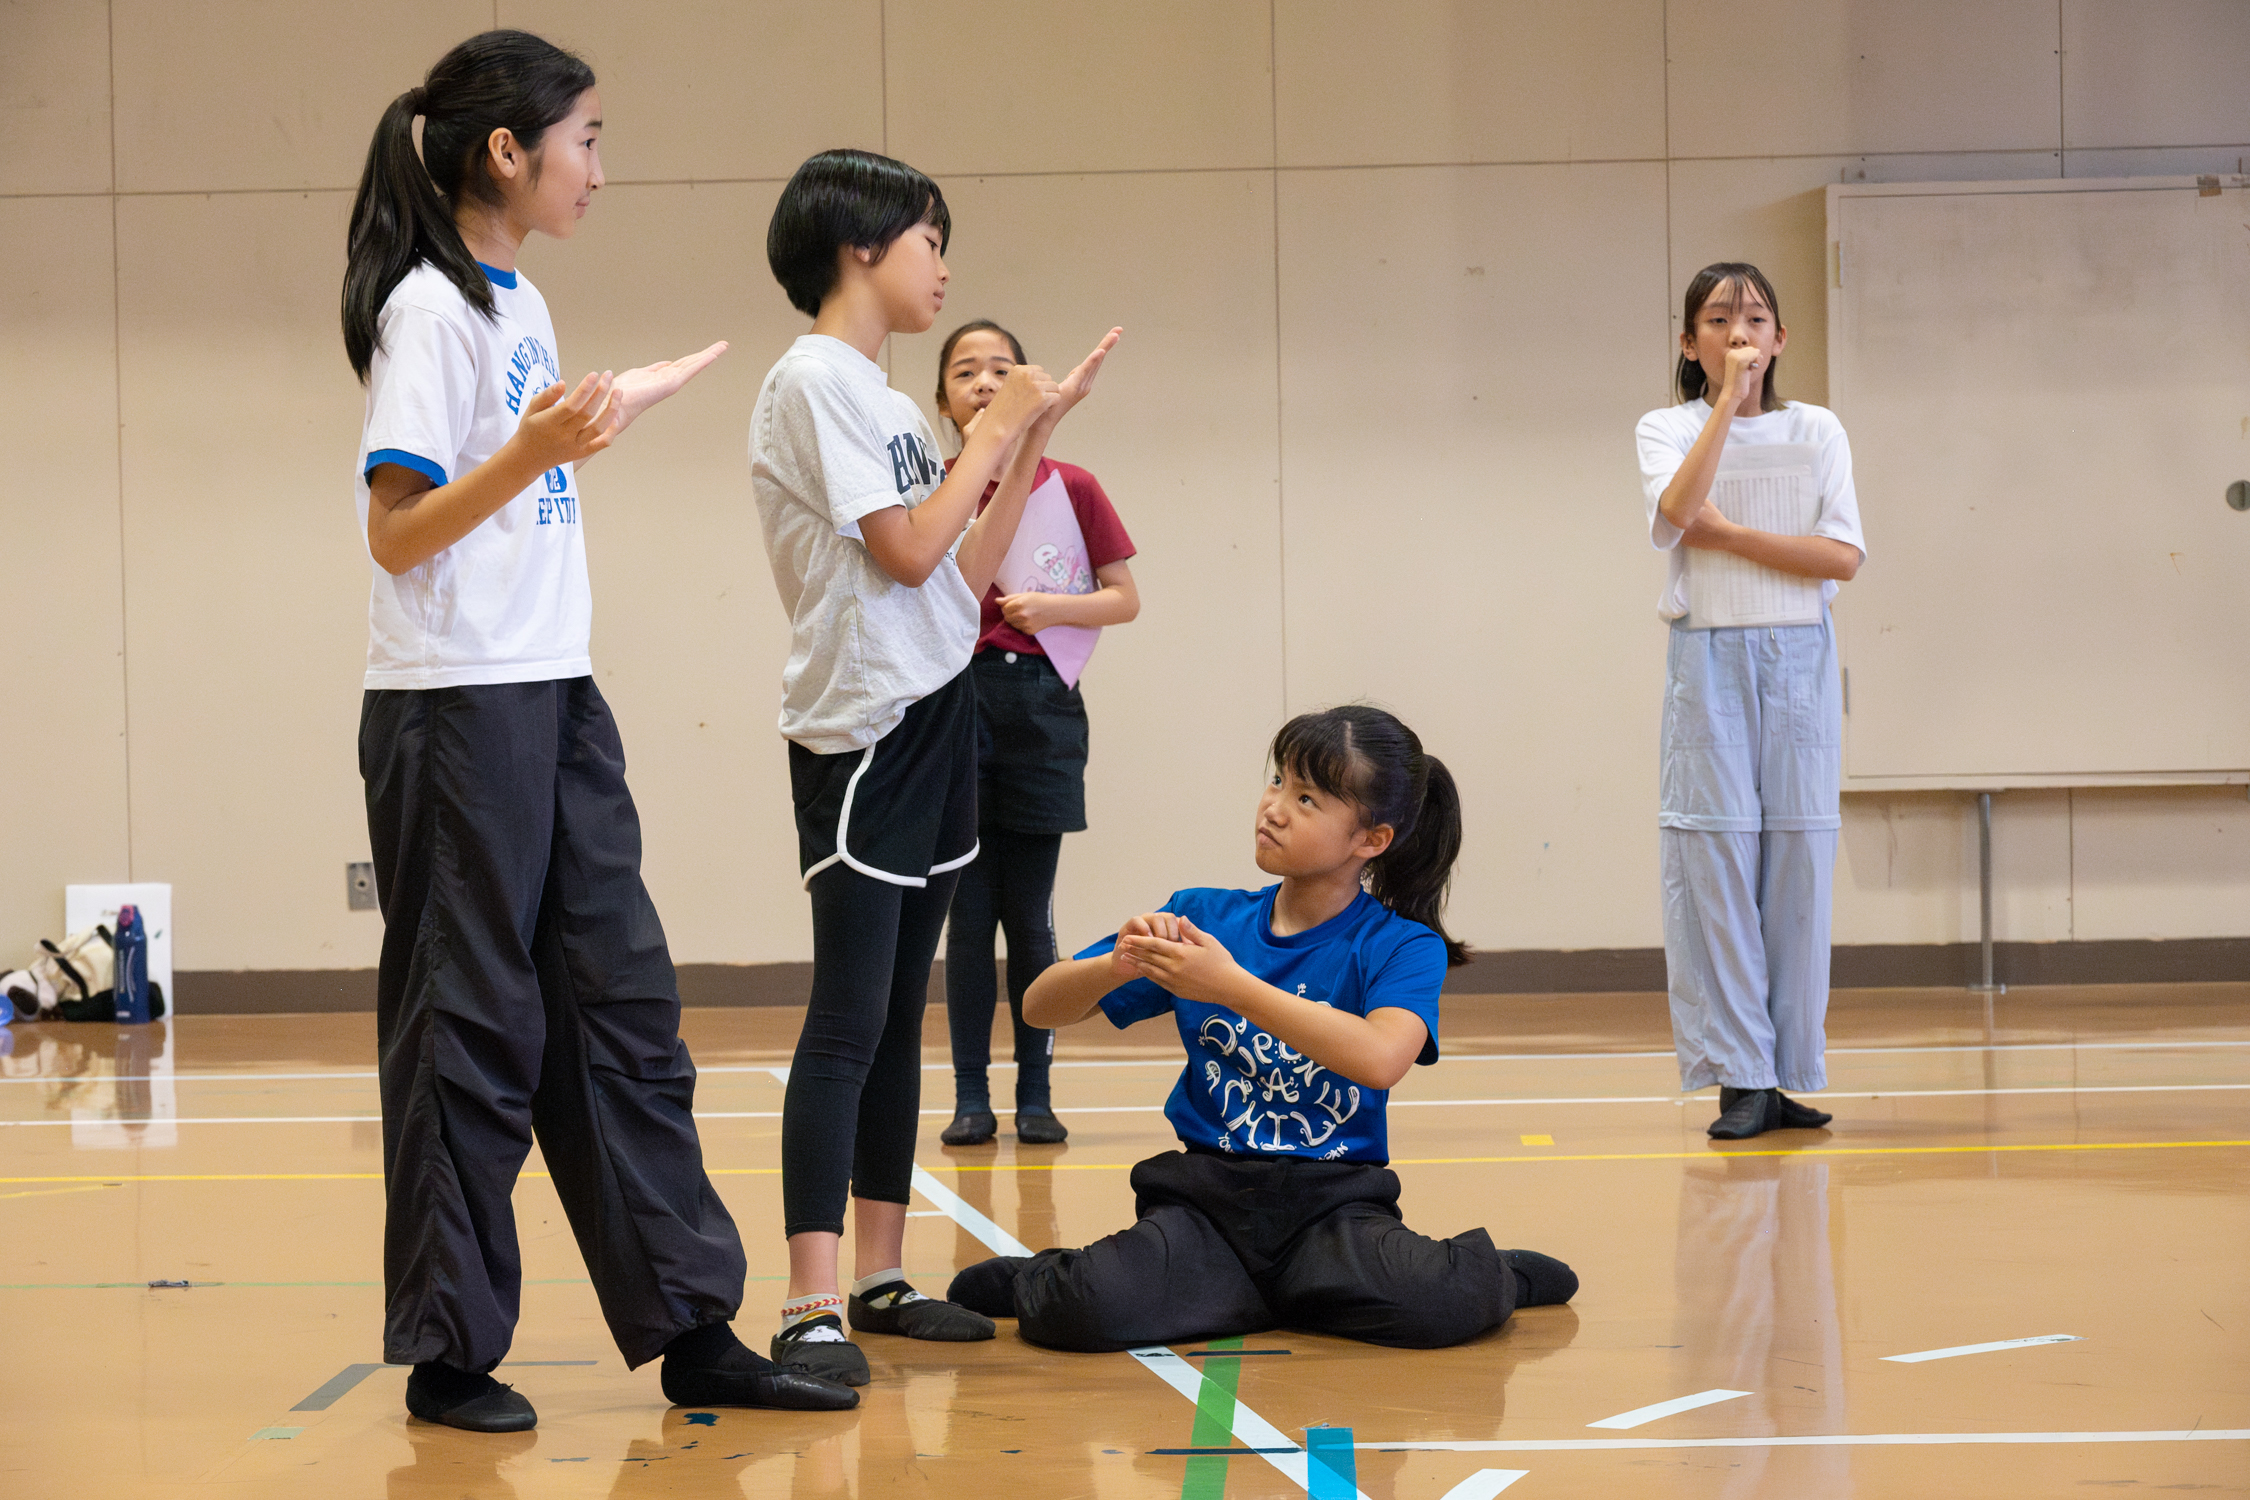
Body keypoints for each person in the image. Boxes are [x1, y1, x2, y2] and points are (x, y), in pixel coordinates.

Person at [345, 31, 855, 1431]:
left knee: (620, 1004)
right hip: (455, 707)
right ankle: (452, 1351)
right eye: (585, 139)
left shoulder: (519, 305)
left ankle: (690, 1322)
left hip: (555, 689)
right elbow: (399, 531)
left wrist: (603, 406)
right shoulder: (426, 312)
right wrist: (533, 451)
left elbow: (521, 474)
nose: (598, 169)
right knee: (471, 1024)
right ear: (504, 151)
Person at [750, 148, 1121, 1385]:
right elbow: (907, 552)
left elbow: (961, 582)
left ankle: (879, 1272)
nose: (943, 265)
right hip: (862, 732)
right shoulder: (811, 382)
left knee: (901, 1019)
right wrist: (998, 427)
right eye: (927, 238)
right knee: (849, 1017)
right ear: (862, 244)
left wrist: (1025, 448)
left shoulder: (898, 408)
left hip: (939, 712)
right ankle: (807, 1305)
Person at [945, 706, 1577, 1350]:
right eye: (1277, 781)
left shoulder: (1402, 946)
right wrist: (1116, 962)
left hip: (1333, 1206)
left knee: (1446, 1302)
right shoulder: (1204, 916)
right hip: (1205, 1203)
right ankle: (1139, 1282)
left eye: (1307, 799)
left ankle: (1493, 1276)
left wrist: (1229, 986)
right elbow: (1038, 1008)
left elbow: (1382, 1058)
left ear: (1371, 840)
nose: (1274, 807)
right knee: (1082, 1311)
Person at [1634, 262, 1867, 1141]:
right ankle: (1740, 1077)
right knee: (1715, 857)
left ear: (1781, 339)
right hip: (1710, 658)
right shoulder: (1669, 426)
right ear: (1691, 343)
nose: (1741, 333)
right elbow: (1675, 511)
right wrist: (1725, 405)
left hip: (1801, 655)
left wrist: (1729, 535)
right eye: (1720, 319)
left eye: (1758, 317)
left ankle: (1788, 1071)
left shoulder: (1819, 430)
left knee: (1800, 860)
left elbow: (1841, 557)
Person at [931, 319, 1142, 1148]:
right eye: (965, 371)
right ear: (942, 400)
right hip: (955, 706)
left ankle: (1036, 1093)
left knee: (1032, 918)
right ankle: (969, 1096)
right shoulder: (934, 486)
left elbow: (1123, 597)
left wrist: (1052, 609)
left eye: (1001, 367)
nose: (984, 382)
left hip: (1041, 710)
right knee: (965, 916)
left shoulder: (1074, 488)